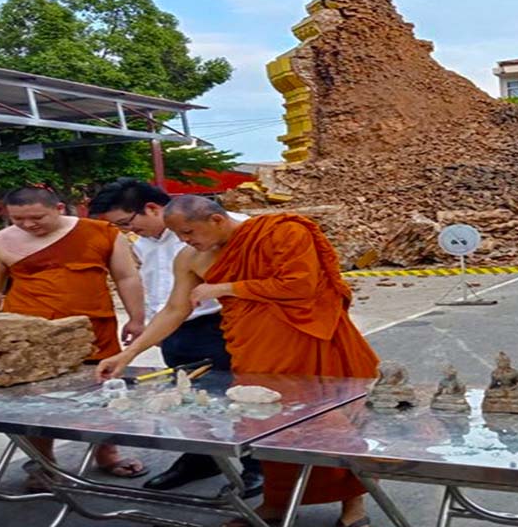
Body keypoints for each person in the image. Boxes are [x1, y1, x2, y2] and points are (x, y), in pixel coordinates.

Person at [97, 196, 380, 527]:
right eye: (179, 236)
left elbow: (300, 285)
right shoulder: (190, 258)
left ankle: (353, 506)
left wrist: (226, 288)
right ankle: (276, 502)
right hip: (255, 351)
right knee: (266, 428)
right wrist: (128, 354)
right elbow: (175, 309)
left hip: (314, 341)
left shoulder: (281, 232)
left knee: (334, 426)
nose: (186, 241)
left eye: (189, 232)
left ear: (216, 220)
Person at [88, 178, 262, 494]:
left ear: (152, 208)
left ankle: (257, 466)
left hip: (219, 324)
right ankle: (202, 459)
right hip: (171, 329)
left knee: (241, 398)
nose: (128, 232)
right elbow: (169, 303)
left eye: (127, 223)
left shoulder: (235, 233)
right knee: (189, 398)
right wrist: (132, 346)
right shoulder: (145, 242)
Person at [0, 187, 148, 487]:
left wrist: (136, 318)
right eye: (18, 219)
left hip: (93, 328)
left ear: (59, 208)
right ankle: (43, 461)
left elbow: (126, 276)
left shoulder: (100, 232)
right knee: (32, 402)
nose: (28, 225)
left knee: (100, 392)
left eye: (37, 217)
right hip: (28, 335)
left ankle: (107, 453)